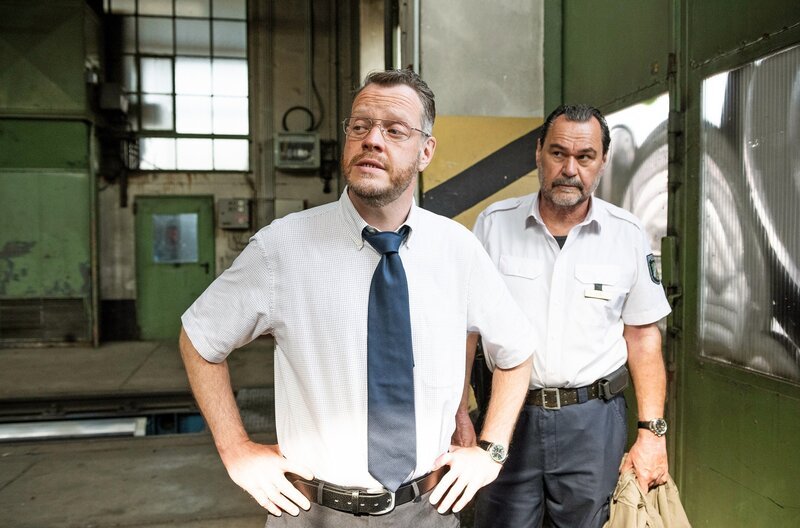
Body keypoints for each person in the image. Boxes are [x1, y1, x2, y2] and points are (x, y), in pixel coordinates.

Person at [179, 68, 534, 527]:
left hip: (428, 510)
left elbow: (516, 351)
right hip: (312, 512)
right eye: (360, 126)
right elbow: (200, 338)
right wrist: (235, 448)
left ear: (426, 151)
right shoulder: (282, 248)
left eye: (394, 129)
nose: (372, 139)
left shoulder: (457, 248)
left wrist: (492, 450)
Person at [461, 104, 673, 528]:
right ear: (538, 152)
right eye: (558, 153)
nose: (570, 169)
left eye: (585, 157)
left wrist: (652, 433)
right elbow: (467, 330)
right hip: (508, 418)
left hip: (592, 422)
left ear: (602, 161)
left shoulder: (626, 234)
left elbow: (643, 337)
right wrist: (457, 412)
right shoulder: (493, 225)